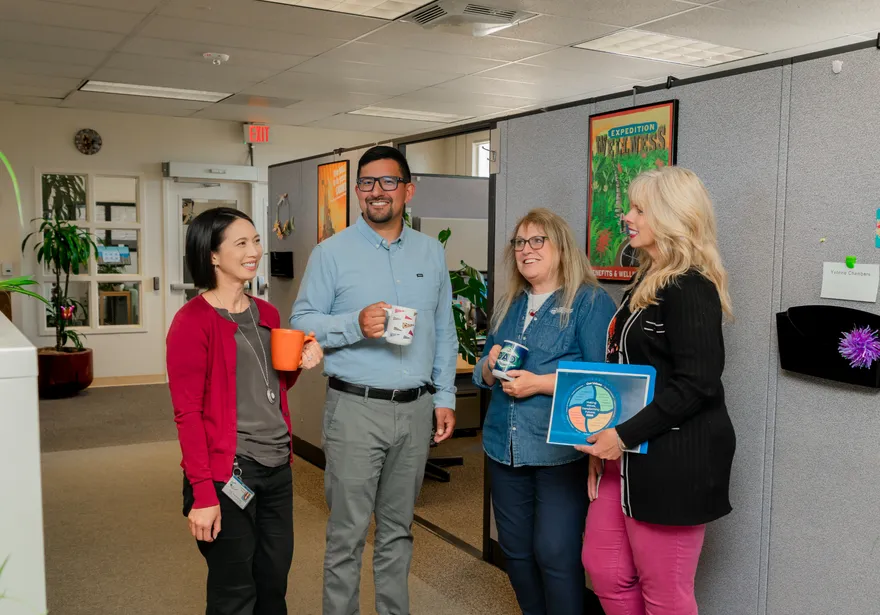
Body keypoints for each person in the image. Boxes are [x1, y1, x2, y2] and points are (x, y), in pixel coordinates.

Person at [291, 145, 458, 615]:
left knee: (399, 530)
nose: (376, 191)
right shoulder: (332, 252)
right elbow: (301, 320)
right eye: (366, 183)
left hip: (416, 409)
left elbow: (443, 329)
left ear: (408, 189)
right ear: (358, 192)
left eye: (388, 182)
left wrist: (443, 396)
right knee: (347, 534)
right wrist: (352, 324)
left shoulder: (431, 252)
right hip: (355, 409)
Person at [577, 166, 737, 615]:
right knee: (603, 567)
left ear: (670, 217)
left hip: (672, 460)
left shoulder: (690, 287)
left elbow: (698, 383)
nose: (627, 216)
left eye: (639, 209)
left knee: (665, 594)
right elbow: (625, 373)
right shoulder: (644, 283)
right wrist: (603, 442)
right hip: (623, 455)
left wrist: (622, 436)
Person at [166, 207, 323, 615]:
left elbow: (274, 387)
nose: (254, 250)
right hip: (227, 472)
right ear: (212, 256)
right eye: (241, 243)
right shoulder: (191, 322)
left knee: (273, 583)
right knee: (234, 591)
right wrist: (203, 494)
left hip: (277, 468)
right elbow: (187, 415)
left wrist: (302, 364)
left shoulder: (267, 315)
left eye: (255, 240)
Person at [473, 208, 616, 615]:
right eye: (519, 242)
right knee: (515, 553)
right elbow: (484, 371)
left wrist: (538, 383)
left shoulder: (588, 301)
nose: (526, 249)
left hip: (560, 451)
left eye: (538, 241)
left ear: (560, 247)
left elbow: (602, 382)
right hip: (505, 448)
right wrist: (489, 364)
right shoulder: (510, 303)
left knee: (555, 553)